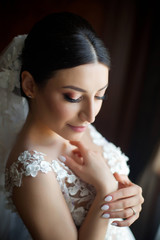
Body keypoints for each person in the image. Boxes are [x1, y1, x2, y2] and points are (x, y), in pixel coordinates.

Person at [0, 12, 144, 240]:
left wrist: (129, 199)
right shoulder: (30, 170)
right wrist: (105, 190)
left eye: (100, 96)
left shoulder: (75, 125)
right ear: (30, 85)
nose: (90, 116)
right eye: (73, 97)